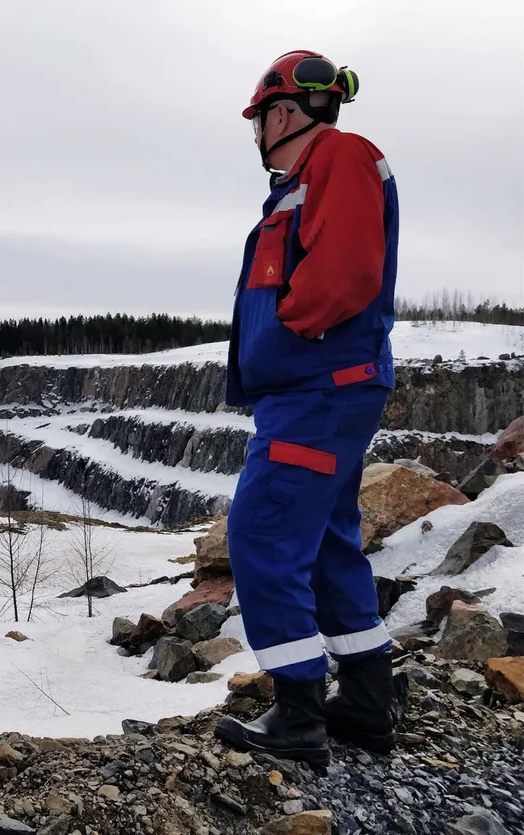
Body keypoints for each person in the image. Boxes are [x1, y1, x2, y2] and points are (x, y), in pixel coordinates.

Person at [213, 50, 400, 765]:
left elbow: (348, 271)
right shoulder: (304, 179)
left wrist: (292, 331)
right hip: (322, 387)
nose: (257, 135)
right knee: (323, 539)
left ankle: (296, 717)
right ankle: (365, 701)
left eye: (259, 121)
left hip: (319, 388)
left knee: (262, 533)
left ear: (281, 115)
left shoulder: (339, 157)